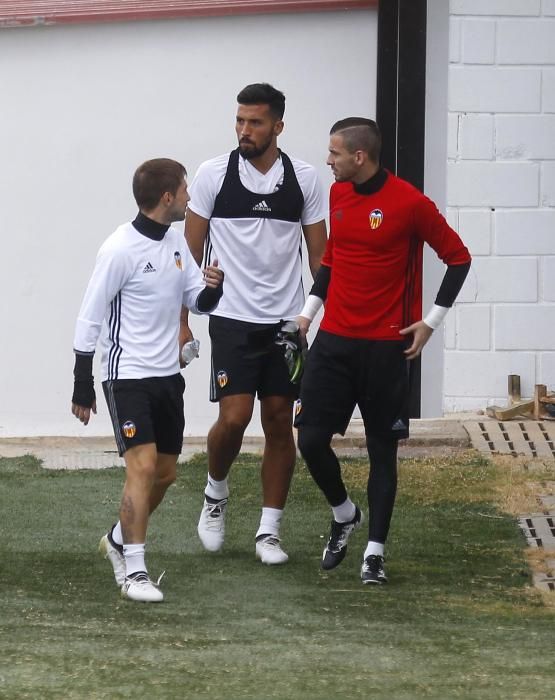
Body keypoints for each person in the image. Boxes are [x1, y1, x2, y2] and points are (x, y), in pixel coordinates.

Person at [295, 118, 471, 585]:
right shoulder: (337, 194)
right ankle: (343, 513)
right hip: (333, 342)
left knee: (381, 453)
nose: (327, 160)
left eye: (334, 153)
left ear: (360, 157)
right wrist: (309, 313)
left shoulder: (410, 203)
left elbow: (458, 258)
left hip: (386, 349)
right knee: (310, 439)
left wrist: (430, 323)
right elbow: (333, 258)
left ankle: (374, 553)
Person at [180, 83, 327, 565]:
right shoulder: (211, 175)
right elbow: (186, 255)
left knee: (279, 422)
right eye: (240, 121)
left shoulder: (305, 180)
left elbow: (321, 258)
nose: (245, 130)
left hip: (286, 324)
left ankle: (269, 531)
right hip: (231, 320)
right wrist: (185, 318)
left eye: (256, 122)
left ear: (278, 126)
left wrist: (313, 317)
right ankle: (215, 493)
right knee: (235, 418)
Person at [71, 158, 224, 603]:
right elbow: (90, 316)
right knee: (140, 467)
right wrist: (83, 382)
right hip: (127, 377)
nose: (191, 196)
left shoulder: (176, 241)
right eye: (185, 188)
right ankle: (134, 569)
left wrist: (213, 287)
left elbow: (197, 300)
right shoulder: (118, 249)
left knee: (166, 473)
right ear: (167, 197)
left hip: (167, 377)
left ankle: (119, 538)